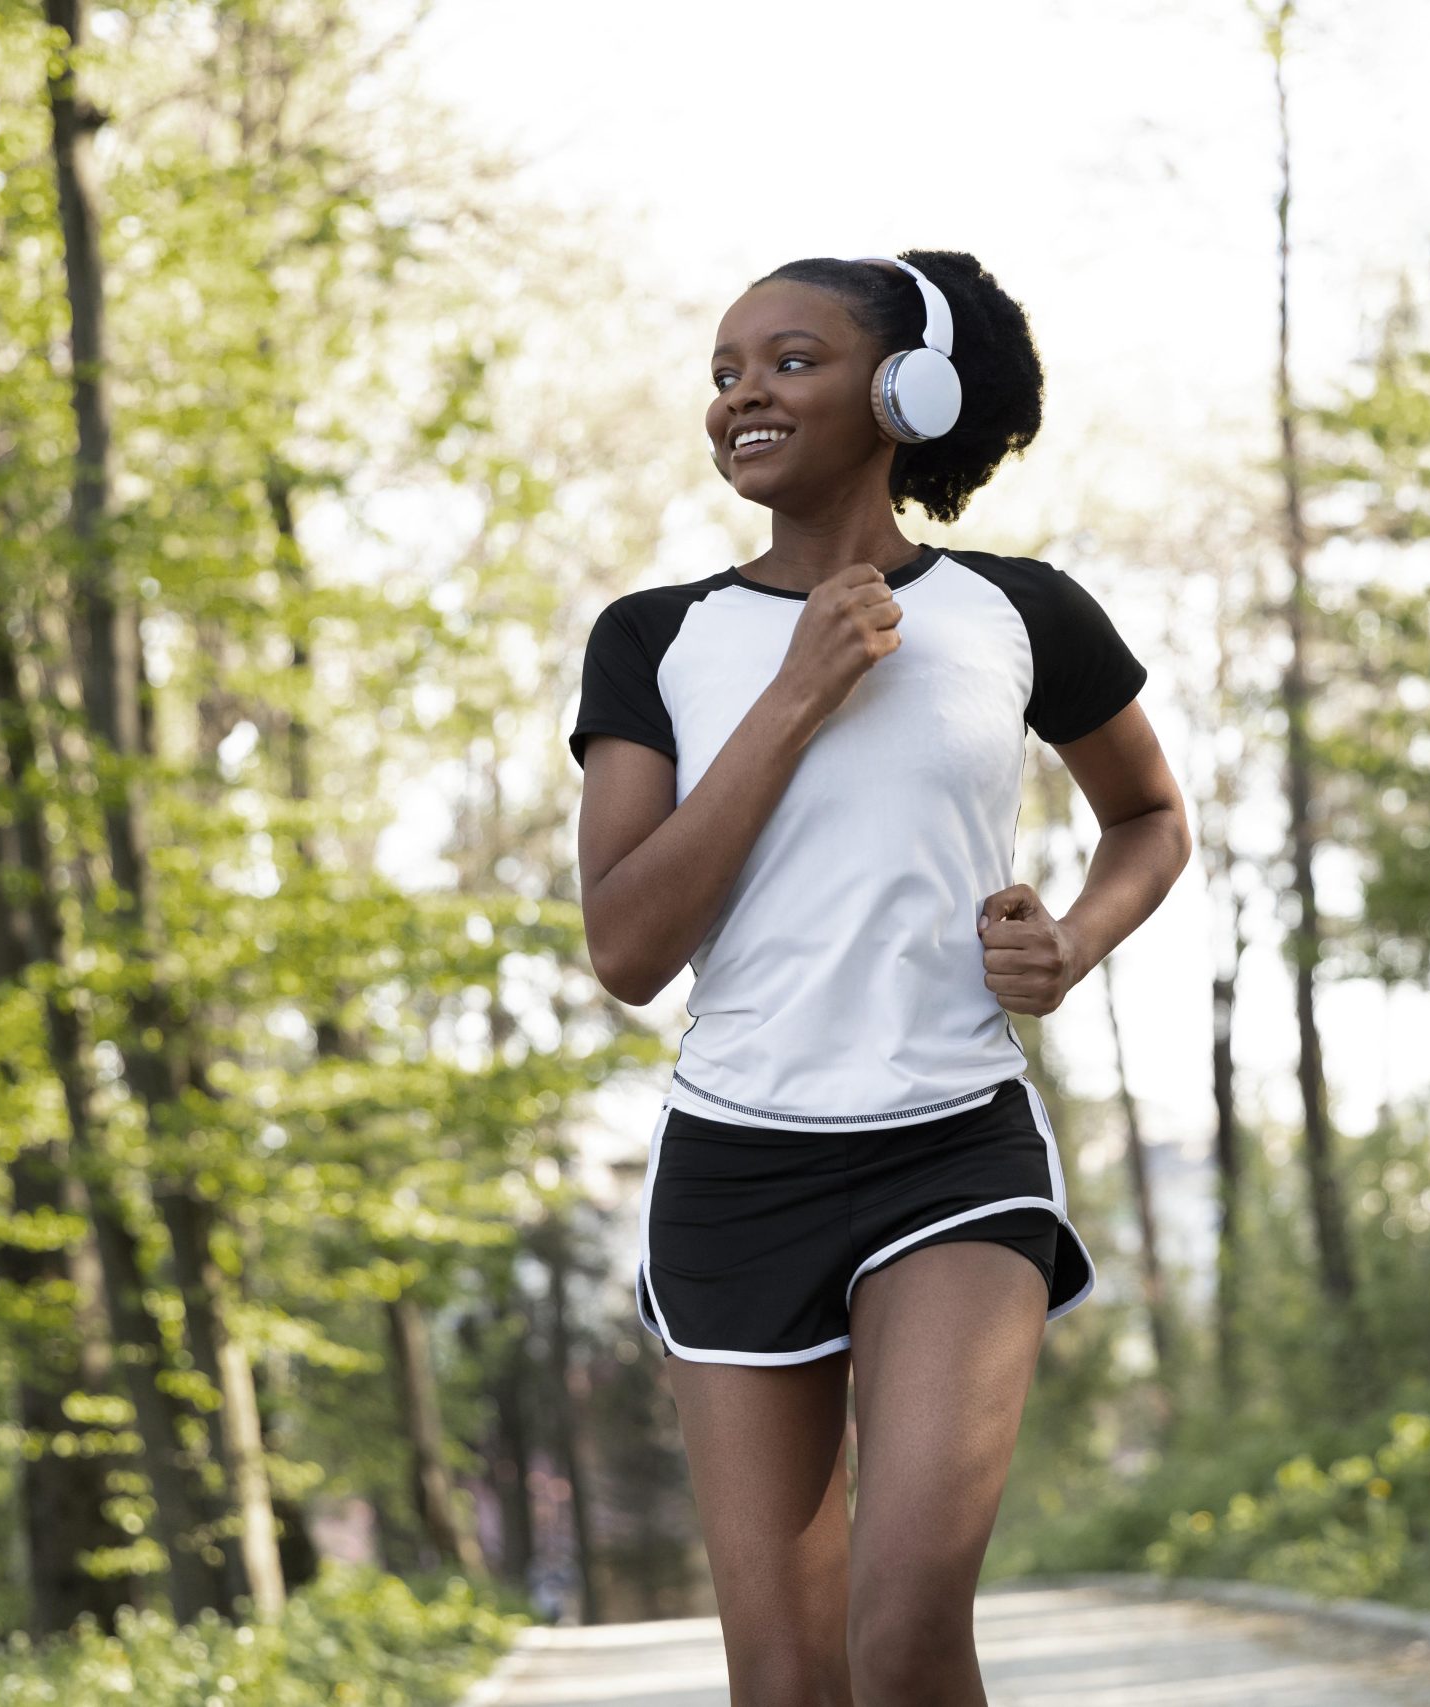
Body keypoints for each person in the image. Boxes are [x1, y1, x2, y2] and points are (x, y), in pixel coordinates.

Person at [566, 249, 1190, 1705]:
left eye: (790, 361)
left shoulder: (1020, 612)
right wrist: (797, 694)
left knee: (905, 1636)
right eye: (724, 374)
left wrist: (1075, 941)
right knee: (786, 1681)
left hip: (953, 1149)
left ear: (906, 389)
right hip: (734, 1169)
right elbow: (628, 947)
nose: (742, 399)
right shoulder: (654, 640)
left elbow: (1150, 819)